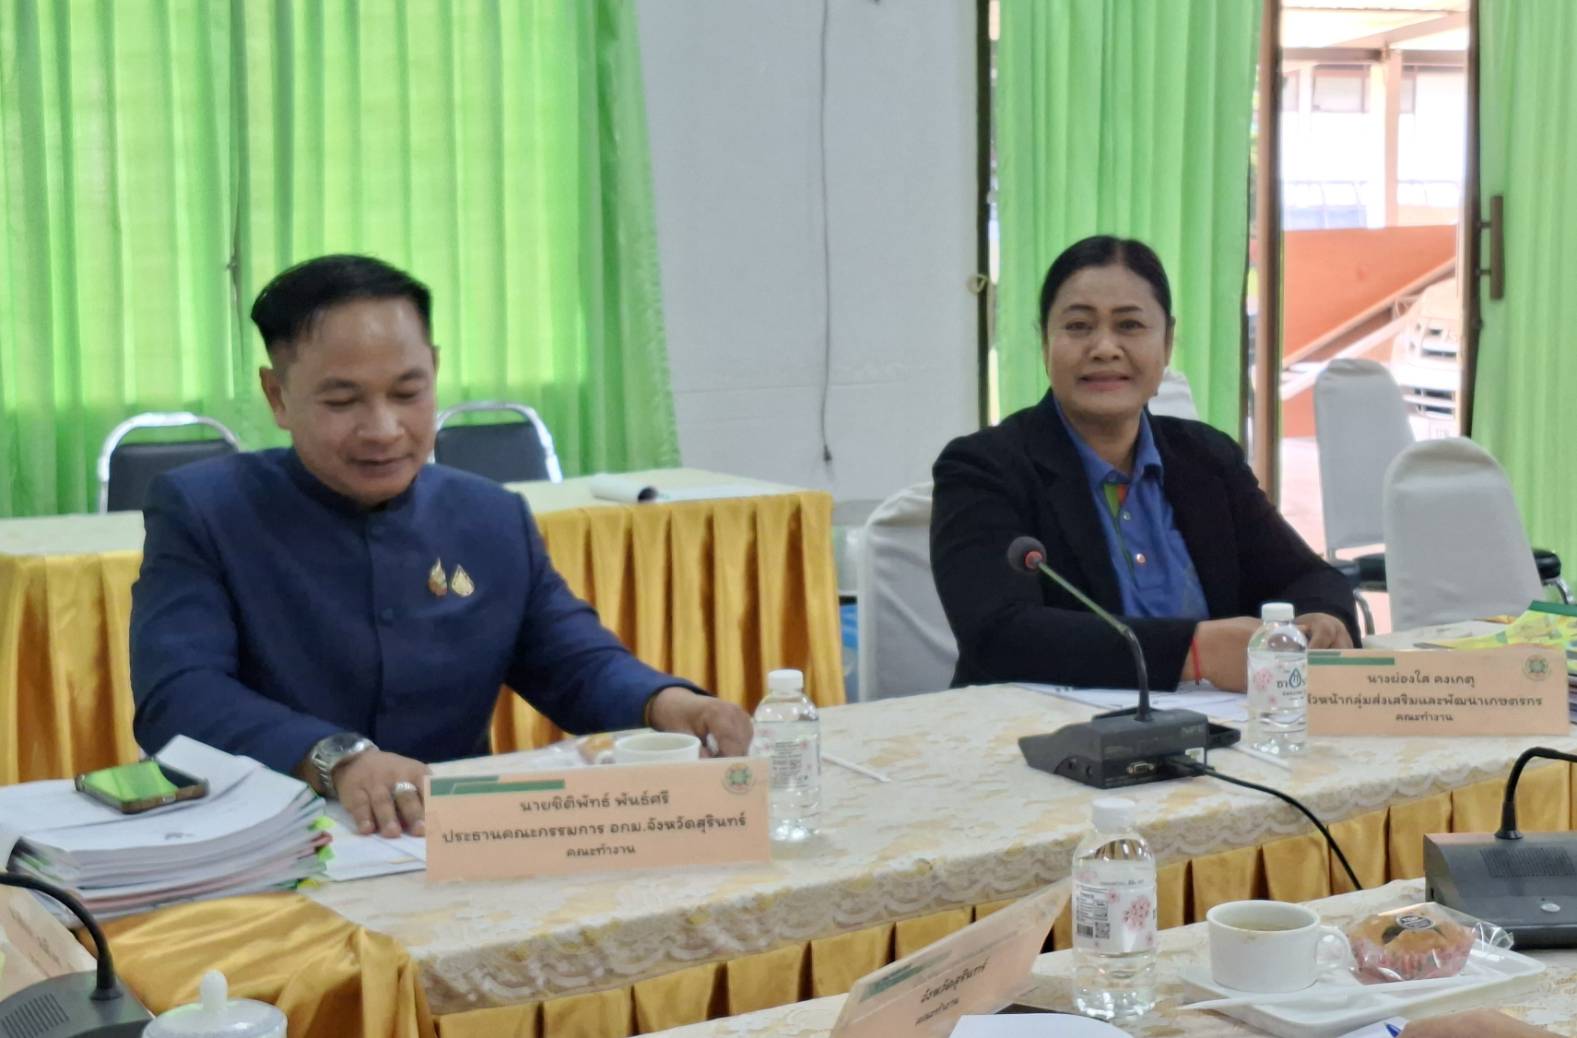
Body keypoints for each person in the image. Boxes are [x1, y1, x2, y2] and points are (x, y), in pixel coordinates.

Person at [130, 254, 752, 837]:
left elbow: (572, 662)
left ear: (434, 370)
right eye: (343, 400)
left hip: (445, 836)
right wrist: (337, 758)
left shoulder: (490, 516)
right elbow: (179, 696)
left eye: (408, 393)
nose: (383, 429)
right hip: (268, 844)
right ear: (277, 396)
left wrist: (664, 703)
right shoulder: (206, 510)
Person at [931, 236, 1359, 692]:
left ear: (1167, 343)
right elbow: (999, 634)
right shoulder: (982, 468)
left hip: (1216, 726)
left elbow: (1307, 576)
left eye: (1130, 325)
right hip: (1041, 729)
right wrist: (1193, 653)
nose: (1104, 347)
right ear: (1045, 343)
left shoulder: (1208, 457)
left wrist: (1323, 617)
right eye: (1078, 326)